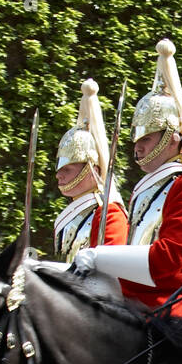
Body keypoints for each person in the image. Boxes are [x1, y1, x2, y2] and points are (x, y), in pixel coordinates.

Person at [73, 40, 182, 318]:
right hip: (132, 299)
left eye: (147, 139)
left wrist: (102, 257)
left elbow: (169, 259)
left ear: (173, 137)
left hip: (169, 304)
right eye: (137, 140)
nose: (138, 147)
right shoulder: (151, 186)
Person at [53, 79, 128, 264]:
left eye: (67, 169)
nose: (58, 175)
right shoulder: (76, 209)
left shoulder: (108, 212)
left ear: (91, 170)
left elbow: (111, 267)